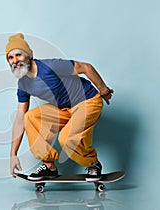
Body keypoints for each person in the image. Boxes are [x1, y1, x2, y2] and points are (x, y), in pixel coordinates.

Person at [6, 33, 113, 181]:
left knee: (66, 139)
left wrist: (104, 90)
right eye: (10, 58)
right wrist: (13, 154)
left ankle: (92, 163)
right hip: (65, 109)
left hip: (87, 101)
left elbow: (85, 67)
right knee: (29, 117)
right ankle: (49, 167)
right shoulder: (23, 84)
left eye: (18, 55)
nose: (15, 61)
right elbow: (19, 119)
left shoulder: (50, 66)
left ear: (29, 55)